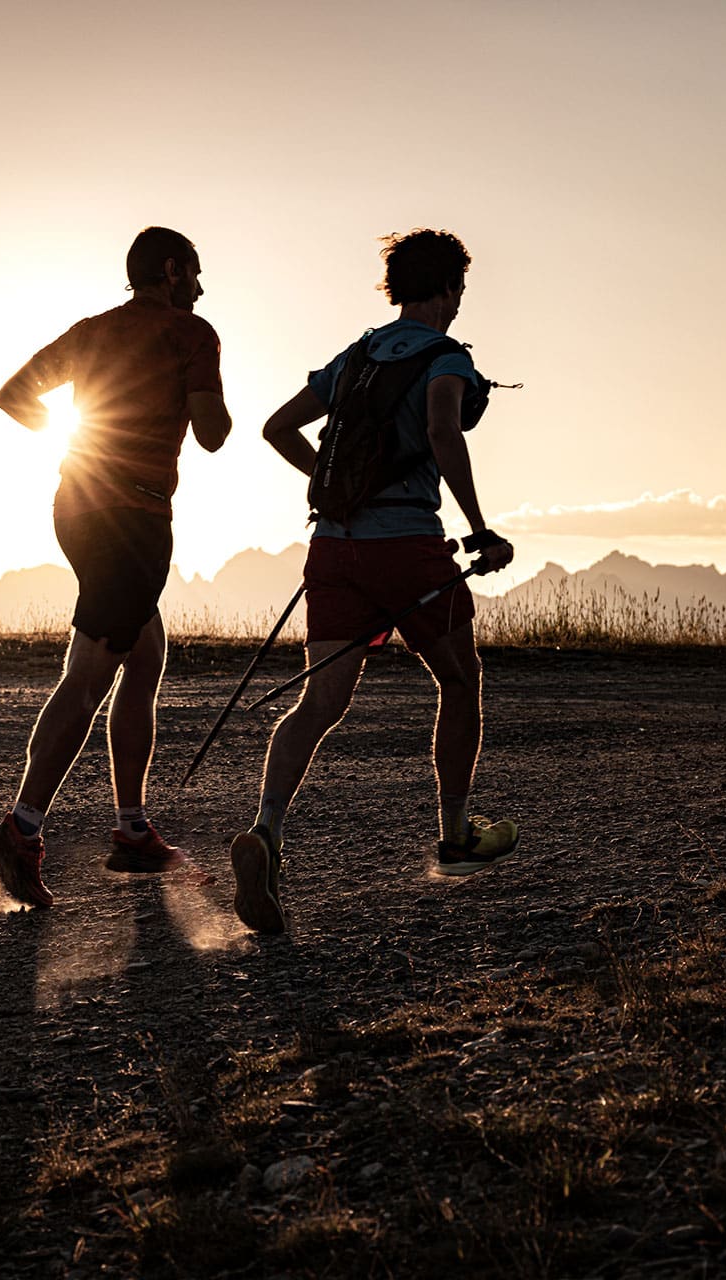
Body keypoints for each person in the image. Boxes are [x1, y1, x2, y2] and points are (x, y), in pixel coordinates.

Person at [228, 227, 518, 935]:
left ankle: (265, 832)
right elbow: (445, 434)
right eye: (459, 291)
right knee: (459, 679)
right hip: (408, 544)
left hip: (332, 547)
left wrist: (339, 486)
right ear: (449, 289)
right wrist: (480, 529)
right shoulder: (445, 357)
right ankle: (455, 837)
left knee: (319, 702)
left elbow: (276, 428)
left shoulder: (355, 357)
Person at [0, 226, 233, 908]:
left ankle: (131, 831)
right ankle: (21, 828)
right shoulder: (192, 333)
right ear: (174, 271)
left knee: (144, 654)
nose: (203, 288)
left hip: (76, 502)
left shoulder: (91, 330)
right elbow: (212, 434)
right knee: (92, 669)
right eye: (197, 273)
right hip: (135, 520)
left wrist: (86, 444)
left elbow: (13, 396)